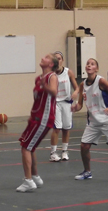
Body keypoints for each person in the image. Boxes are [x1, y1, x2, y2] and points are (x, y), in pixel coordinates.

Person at [17, 53, 58, 193]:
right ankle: (35, 176)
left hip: (44, 118)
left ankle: (28, 180)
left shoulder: (51, 77)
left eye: (46, 57)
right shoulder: (38, 79)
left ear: (51, 64)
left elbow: (54, 91)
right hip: (36, 117)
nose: (42, 58)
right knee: (29, 145)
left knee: (26, 147)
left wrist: (44, 86)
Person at [49, 51, 79, 162]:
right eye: (55, 58)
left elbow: (77, 87)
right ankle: (53, 153)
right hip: (55, 103)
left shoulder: (68, 72)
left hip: (67, 102)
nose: (58, 60)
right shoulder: (50, 74)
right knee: (57, 128)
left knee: (66, 128)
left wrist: (76, 92)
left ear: (62, 60)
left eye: (59, 58)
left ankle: (65, 151)